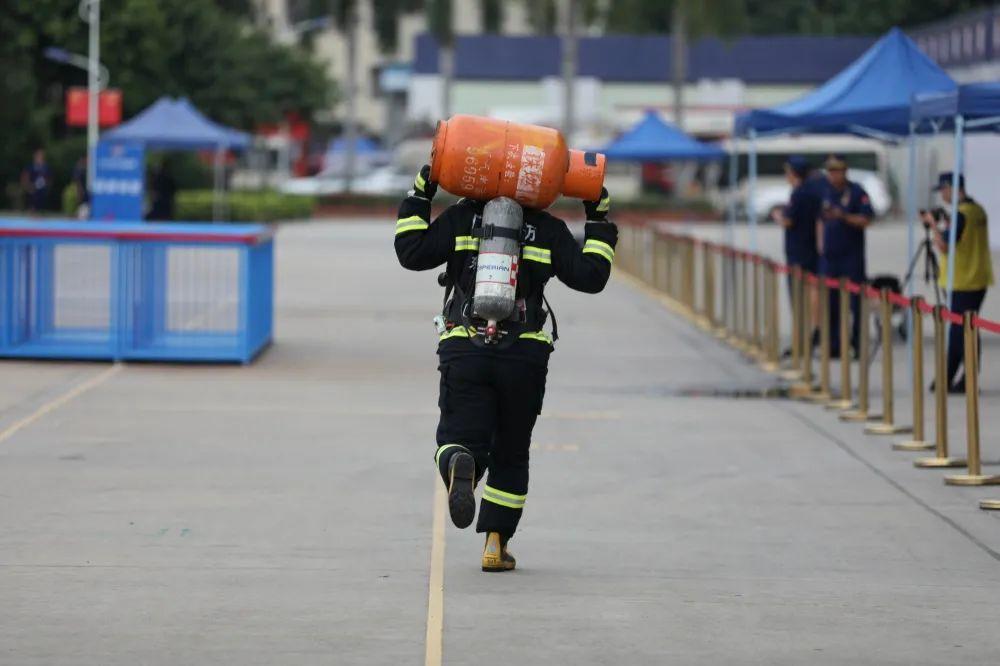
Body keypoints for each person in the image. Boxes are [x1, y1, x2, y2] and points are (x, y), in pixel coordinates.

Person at [394, 165, 617, 572]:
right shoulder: (547, 229)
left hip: (465, 347)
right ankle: (495, 545)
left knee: (460, 436)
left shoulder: (463, 218)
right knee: (511, 451)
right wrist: (598, 220)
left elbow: (411, 252)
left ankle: (462, 462)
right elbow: (591, 277)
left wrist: (419, 195)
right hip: (525, 356)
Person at [921, 172, 994, 392]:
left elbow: (945, 246)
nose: (942, 195)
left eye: (943, 190)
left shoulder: (961, 214)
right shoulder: (977, 210)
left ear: (952, 188)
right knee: (969, 330)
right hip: (977, 278)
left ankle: (952, 379)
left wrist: (933, 225)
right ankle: (964, 378)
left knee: (958, 333)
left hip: (963, 280)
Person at [819, 154, 874, 356]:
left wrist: (844, 216)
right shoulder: (825, 191)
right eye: (830, 171)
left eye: (837, 170)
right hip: (830, 256)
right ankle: (834, 345)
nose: (833, 175)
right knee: (831, 304)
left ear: (845, 171)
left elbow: (866, 219)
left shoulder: (857, 192)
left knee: (856, 303)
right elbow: (819, 220)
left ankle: (858, 343)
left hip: (852, 256)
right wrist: (821, 247)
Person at [771, 156, 822, 352]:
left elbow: (789, 221)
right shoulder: (814, 191)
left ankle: (804, 337)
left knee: (799, 296)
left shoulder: (799, 193)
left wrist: (778, 216)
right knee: (813, 291)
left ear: (793, 173)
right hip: (811, 249)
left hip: (799, 252)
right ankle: (814, 331)